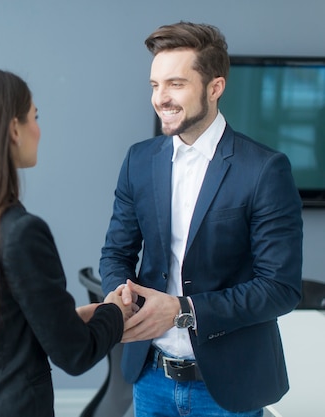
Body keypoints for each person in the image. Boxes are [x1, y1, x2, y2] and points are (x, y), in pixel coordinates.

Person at [99, 22, 303, 416]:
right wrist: (117, 294)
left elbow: (280, 287)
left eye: (175, 84)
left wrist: (183, 309)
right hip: (150, 376)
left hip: (228, 386)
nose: (160, 98)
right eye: (155, 85)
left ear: (215, 87)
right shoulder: (138, 161)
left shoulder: (265, 169)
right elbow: (115, 253)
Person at [0, 67, 134, 417]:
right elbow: (75, 355)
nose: (39, 129)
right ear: (13, 129)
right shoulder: (21, 232)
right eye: (35, 117)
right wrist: (116, 312)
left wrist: (66, 319)